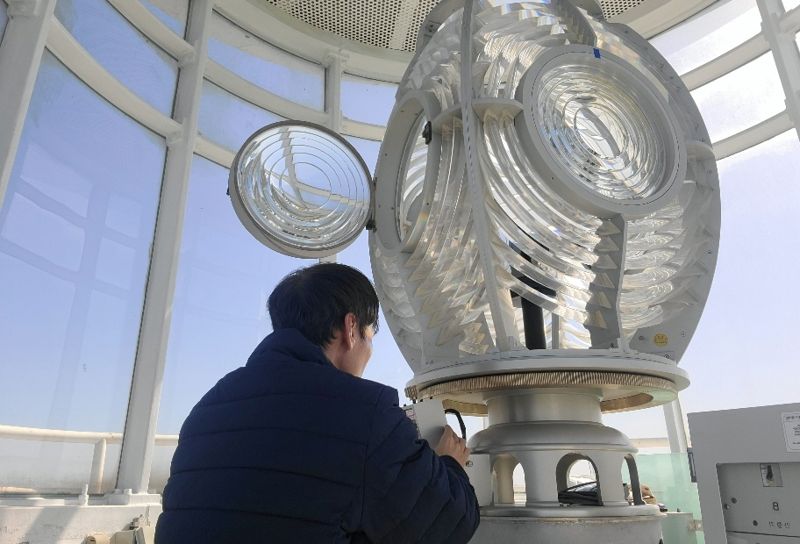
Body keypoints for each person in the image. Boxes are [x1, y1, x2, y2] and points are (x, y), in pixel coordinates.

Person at [156, 263, 480, 543]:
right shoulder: (369, 414)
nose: (369, 353)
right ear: (351, 329)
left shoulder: (209, 406)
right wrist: (448, 464)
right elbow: (449, 525)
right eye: (370, 336)